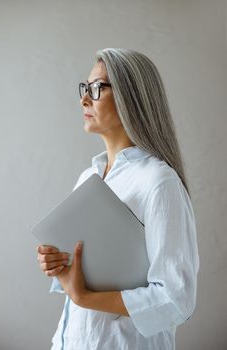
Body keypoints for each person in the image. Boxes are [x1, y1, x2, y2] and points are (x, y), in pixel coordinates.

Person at [37, 48, 200, 349]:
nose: (84, 99)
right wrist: (58, 264)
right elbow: (86, 275)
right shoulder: (90, 178)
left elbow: (176, 299)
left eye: (97, 88)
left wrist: (84, 297)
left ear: (131, 96)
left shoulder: (159, 182)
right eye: (85, 88)